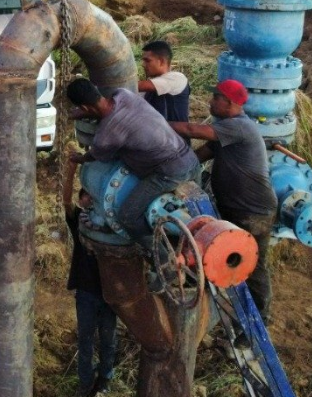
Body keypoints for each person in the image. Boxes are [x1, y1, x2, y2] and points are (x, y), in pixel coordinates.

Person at [169, 79, 277, 322]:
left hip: (253, 211)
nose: (210, 101)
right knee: (219, 256)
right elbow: (198, 157)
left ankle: (259, 320)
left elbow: (192, 130)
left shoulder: (239, 126)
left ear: (229, 102)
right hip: (234, 209)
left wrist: (157, 124)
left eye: (215, 97)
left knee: (252, 265)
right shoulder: (225, 133)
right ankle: (216, 310)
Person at [66, 79, 200, 252]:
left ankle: (162, 257)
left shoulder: (106, 136)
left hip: (169, 173)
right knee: (199, 219)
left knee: (127, 216)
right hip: (191, 160)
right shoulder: (124, 94)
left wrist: (80, 159)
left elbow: (97, 156)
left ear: (84, 109)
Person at [64, 164, 117, 397]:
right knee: (85, 339)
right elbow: (65, 201)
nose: (90, 200)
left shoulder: (113, 226)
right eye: (86, 196)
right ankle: (86, 383)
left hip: (110, 294)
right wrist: (70, 169)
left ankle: (104, 379)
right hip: (87, 292)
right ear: (82, 200)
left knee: (108, 338)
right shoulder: (79, 221)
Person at [138, 40, 190, 123]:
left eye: (147, 61)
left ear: (161, 61)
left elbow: (136, 86)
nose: (143, 64)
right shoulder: (150, 87)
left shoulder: (177, 78)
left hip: (175, 135)